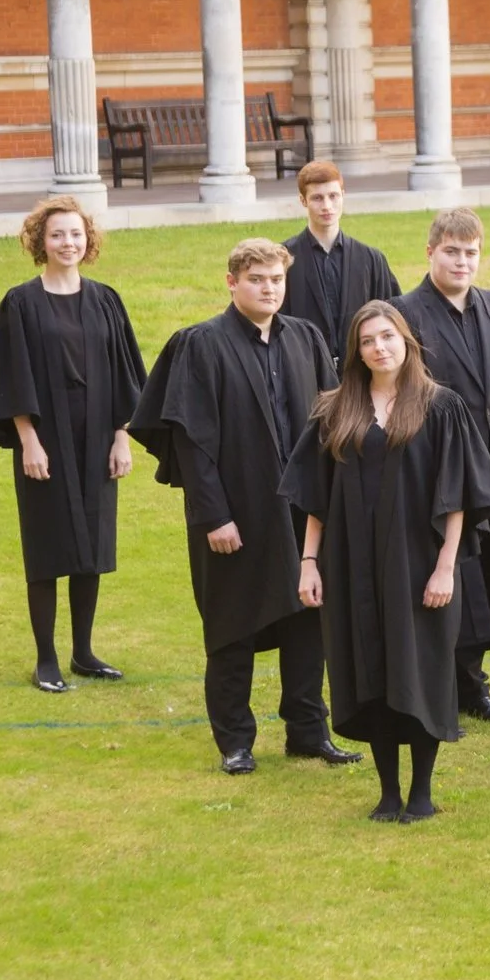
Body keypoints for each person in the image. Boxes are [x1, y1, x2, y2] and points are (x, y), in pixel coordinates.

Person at [131, 239, 362, 774]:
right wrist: (213, 515)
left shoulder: (305, 339)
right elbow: (191, 440)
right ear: (232, 282)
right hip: (236, 511)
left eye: (277, 279)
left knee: (309, 623)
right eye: (257, 279)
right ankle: (235, 738)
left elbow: (331, 424)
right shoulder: (201, 345)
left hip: (300, 512)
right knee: (231, 625)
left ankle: (308, 730)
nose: (269, 288)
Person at [286, 300, 490, 821]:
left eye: (387, 337)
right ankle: (387, 792)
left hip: (419, 562)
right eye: (367, 341)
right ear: (356, 351)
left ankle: (421, 792)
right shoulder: (336, 409)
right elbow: (317, 496)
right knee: (369, 668)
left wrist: (447, 566)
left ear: (406, 340)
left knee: (420, 668)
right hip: (350, 563)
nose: (379, 348)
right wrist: (309, 562)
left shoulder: (439, 406)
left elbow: (458, 497)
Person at [0, 196, 147, 693]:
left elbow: (124, 374)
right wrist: (28, 441)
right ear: (39, 242)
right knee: (48, 547)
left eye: (75, 234)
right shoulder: (21, 303)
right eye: (57, 235)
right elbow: (12, 377)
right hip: (47, 438)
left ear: (88, 240)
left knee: (91, 545)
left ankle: (84, 652)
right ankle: (46, 658)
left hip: (96, 436)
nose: (68, 243)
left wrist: (122, 438)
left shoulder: (106, 300)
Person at [395, 209, 490, 724]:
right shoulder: (402, 317)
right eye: (451, 251)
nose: (462, 261)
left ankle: (471, 683)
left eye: (471, 252)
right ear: (430, 252)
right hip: (438, 470)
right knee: (449, 571)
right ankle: (443, 682)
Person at [280, 161, 401, 351]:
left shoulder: (371, 260)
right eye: (317, 198)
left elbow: (393, 320)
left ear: (343, 196)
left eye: (333, 196)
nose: (327, 206)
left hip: (361, 369)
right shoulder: (282, 261)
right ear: (303, 201)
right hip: (304, 368)